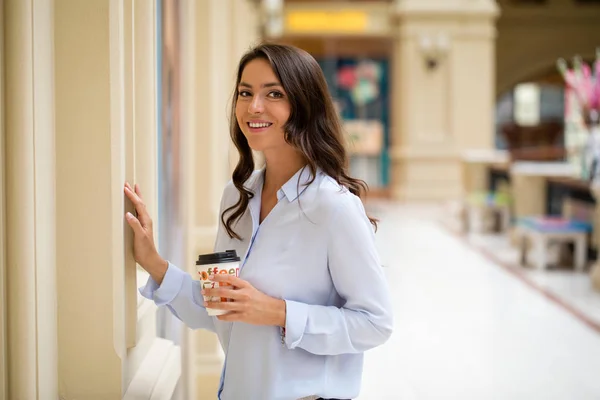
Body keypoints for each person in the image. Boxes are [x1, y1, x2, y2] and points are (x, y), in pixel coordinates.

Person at [124, 43, 393, 400]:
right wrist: (153, 263)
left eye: (274, 94)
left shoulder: (334, 208)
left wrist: (279, 313)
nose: (254, 107)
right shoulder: (235, 197)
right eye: (245, 93)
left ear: (303, 105)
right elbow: (219, 309)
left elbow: (375, 323)